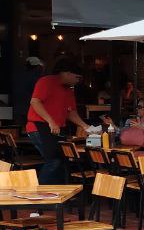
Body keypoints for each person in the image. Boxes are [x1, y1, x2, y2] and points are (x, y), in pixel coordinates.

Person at [27, 56, 89, 184]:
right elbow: (35, 102)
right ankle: (39, 193)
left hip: (55, 129)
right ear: (67, 73)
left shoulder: (69, 89)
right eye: (77, 77)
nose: (78, 81)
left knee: (62, 160)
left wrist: (85, 126)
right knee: (54, 161)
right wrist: (51, 121)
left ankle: (59, 194)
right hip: (38, 127)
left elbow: (71, 112)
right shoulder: (46, 81)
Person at [11, 56, 43, 128]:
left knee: (19, 131)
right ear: (37, 66)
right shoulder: (35, 77)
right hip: (29, 109)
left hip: (17, 108)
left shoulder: (17, 75)